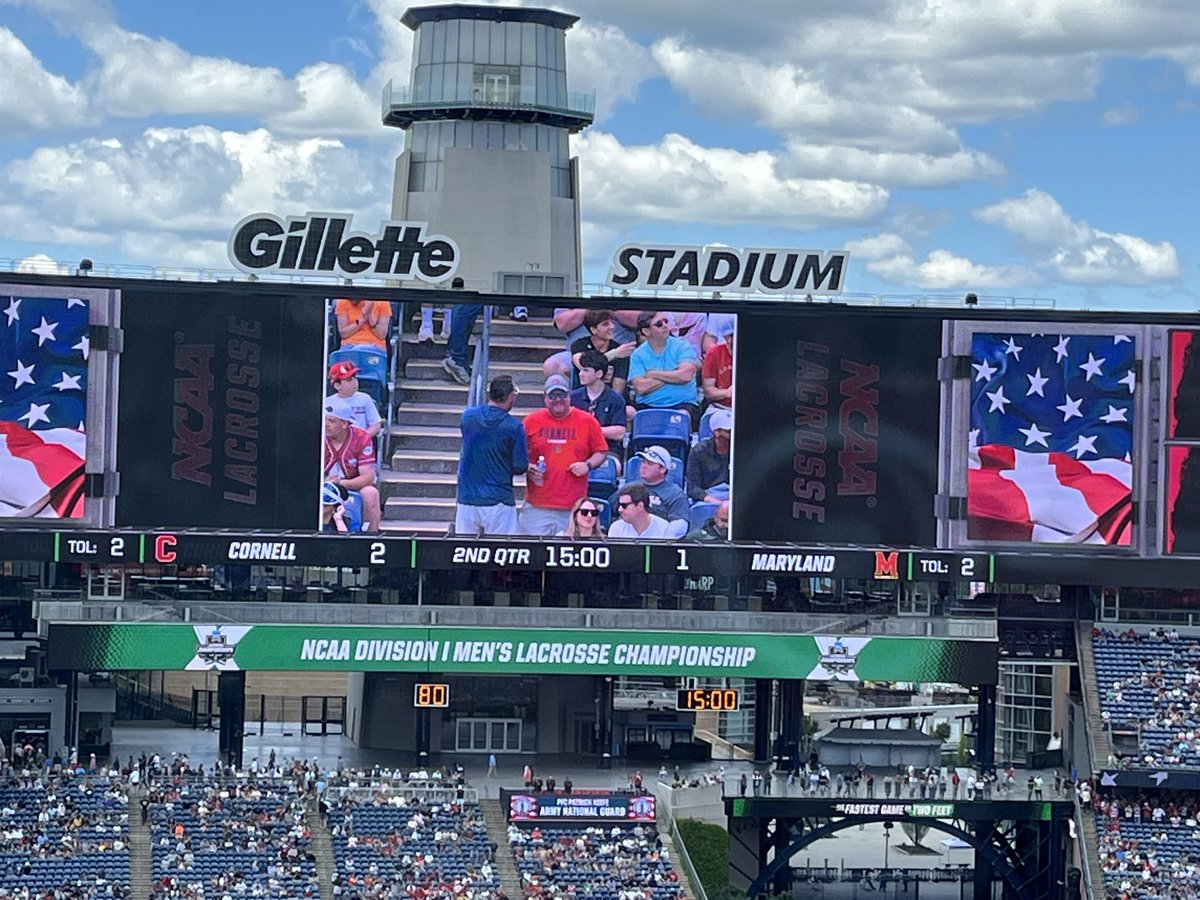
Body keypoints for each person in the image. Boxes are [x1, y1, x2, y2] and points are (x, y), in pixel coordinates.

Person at [520, 375, 608, 536]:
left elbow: (601, 452)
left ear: (569, 395)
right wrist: (528, 466)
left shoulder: (587, 421)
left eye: (562, 395)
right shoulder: (530, 421)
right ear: (545, 398)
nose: (558, 400)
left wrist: (587, 465)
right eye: (553, 396)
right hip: (536, 506)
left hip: (573, 508)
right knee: (532, 550)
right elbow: (516, 454)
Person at [454, 375, 528, 536]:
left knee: (464, 549)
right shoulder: (513, 427)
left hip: (468, 498)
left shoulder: (468, 417)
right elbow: (520, 466)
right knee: (501, 549)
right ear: (510, 396)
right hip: (499, 500)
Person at [628, 310, 700, 427]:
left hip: (682, 405)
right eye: (659, 324)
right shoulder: (637, 355)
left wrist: (654, 374)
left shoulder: (682, 346)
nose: (665, 325)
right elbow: (641, 387)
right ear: (646, 331)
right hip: (648, 406)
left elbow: (686, 376)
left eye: (665, 321)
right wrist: (675, 373)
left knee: (682, 416)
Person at [323, 397, 381, 532]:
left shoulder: (361, 438)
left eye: (331, 421)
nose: (326, 424)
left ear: (344, 423)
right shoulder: (318, 434)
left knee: (371, 494)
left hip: (352, 484)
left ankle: (372, 536)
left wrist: (340, 483)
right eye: (325, 420)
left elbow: (368, 477)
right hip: (322, 484)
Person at [611, 446, 690, 537]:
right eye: (643, 462)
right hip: (628, 537)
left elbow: (680, 525)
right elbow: (610, 510)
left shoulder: (675, 493)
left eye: (650, 463)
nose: (643, 466)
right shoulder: (629, 488)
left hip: (659, 540)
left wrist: (662, 536)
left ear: (662, 469)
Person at [570, 349, 627, 458]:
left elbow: (619, 432)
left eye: (586, 370)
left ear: (599, 373)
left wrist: (589, 431)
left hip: (607, 449)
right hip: (576, 448)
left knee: (610, 464)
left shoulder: (616, 399)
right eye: (581, 370)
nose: (581, 374)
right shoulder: (572, 398)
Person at [570, 310, 635, 395]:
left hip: (609, 398)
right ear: (593, 330)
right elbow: (583, 365)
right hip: (582, 396)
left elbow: (618, 387)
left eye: (612, 322)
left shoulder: (619, 349)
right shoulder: (579, 345)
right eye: (605, 324)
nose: (612, 327)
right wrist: (613, 354)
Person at [327, 361, 382, 441]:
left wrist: (361, 439)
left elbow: (376, 424)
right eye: (349, 380)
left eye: (355, 377)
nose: (355, 382)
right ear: (337, 385)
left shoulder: (365, 399)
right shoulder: (328, 403)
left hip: (361, 443)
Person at [686, 408, 731, 502]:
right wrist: (714, 501)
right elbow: (693, 488)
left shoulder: (742, 450)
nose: (733, 435)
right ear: (716, 432)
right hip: (708, 498)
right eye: (729, 431)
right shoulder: (699, 451)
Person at [608, 483, 673, 539]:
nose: (620, 509)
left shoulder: (665, 529)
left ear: (640, 506)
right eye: (619, 505)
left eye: (624, 505)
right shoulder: (616, 528)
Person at [701, 317, 734, 411]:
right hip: (720, 407)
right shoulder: (714, 353)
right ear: (727, 338)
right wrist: (727, 393)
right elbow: (708, 390)